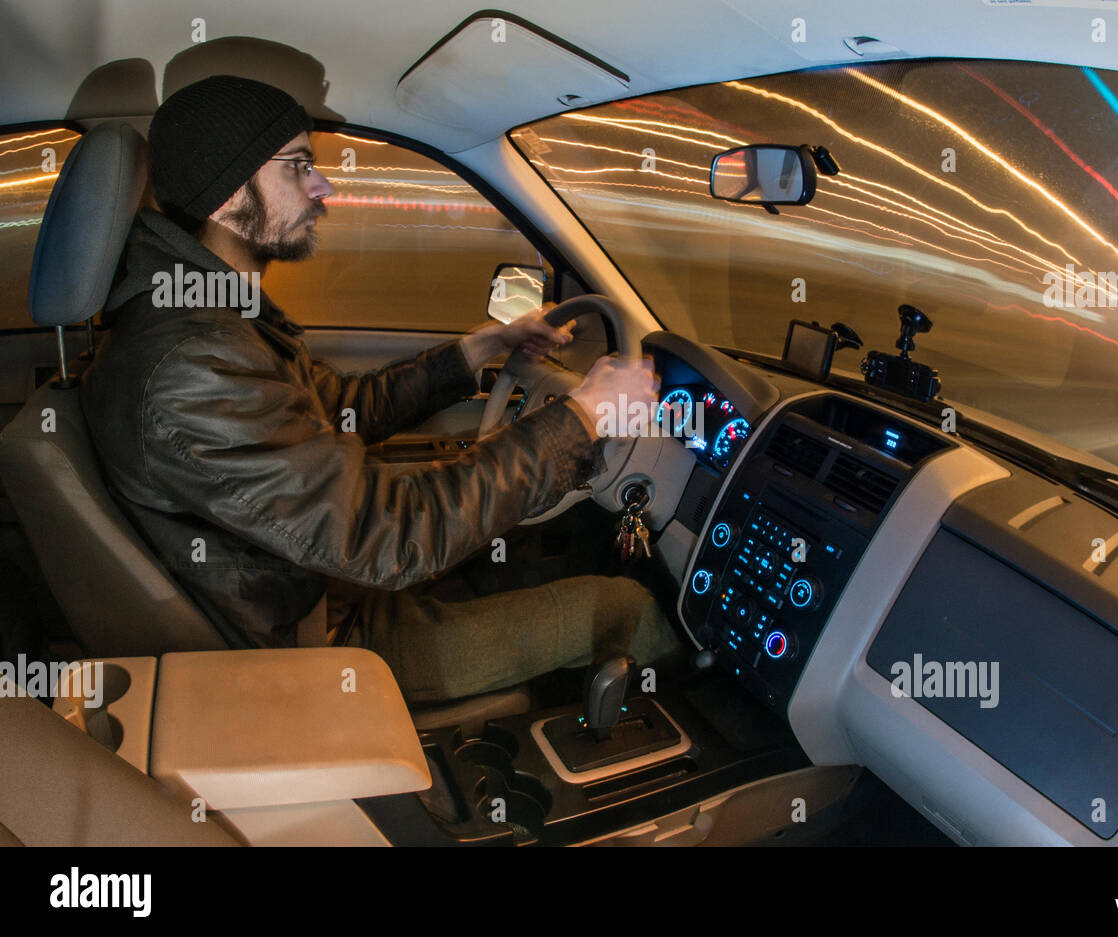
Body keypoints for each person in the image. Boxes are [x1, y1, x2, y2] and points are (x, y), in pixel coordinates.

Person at [81, 75, 681, 702]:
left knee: (525, 556)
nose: (323, 186)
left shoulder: (210, 321)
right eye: (299, 167)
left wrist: (484, 347)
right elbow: (388, 537)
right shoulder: (190, 362)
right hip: (309, 647)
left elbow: (341, 411)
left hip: (310, 586)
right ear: (228, 196)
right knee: (622, 604)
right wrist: (581, 418)